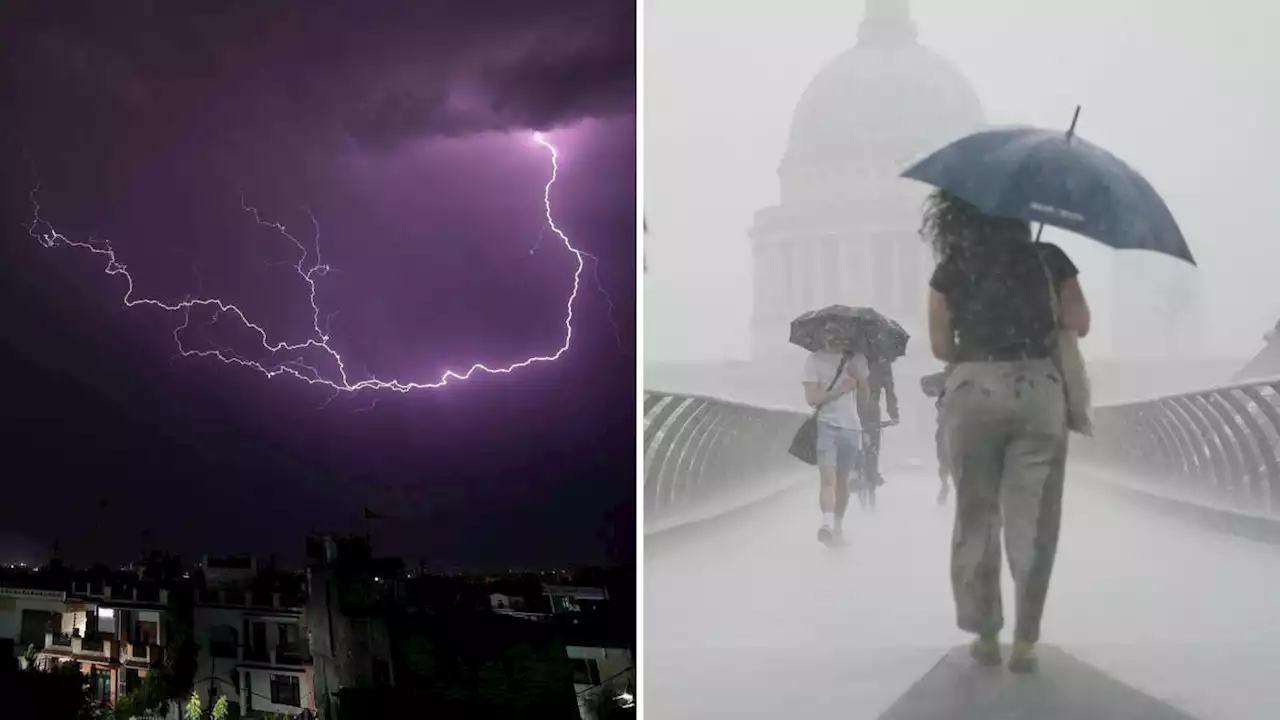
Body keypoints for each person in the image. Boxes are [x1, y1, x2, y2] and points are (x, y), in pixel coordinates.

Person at [923, 189, 1091, 674]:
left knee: (976, 515)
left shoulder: (952, 266)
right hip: (1038, 388)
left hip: (974, 386)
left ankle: (986, 633)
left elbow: (939, 345)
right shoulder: (1049, 260)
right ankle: (1025, 641)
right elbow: (1079, 321)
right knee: (1035, 517)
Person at [802, 322, 871, 547]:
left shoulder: (857, 359)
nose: (832, 339)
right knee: (828, 478)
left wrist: (859, 379)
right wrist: (839, 390)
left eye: (837, 334)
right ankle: (826, 524)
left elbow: (865, 400)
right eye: (828, 334)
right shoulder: (814, 361)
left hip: (851, 428)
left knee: (842, 483)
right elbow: (812, 399)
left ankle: (838, 526)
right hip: (827, 426)